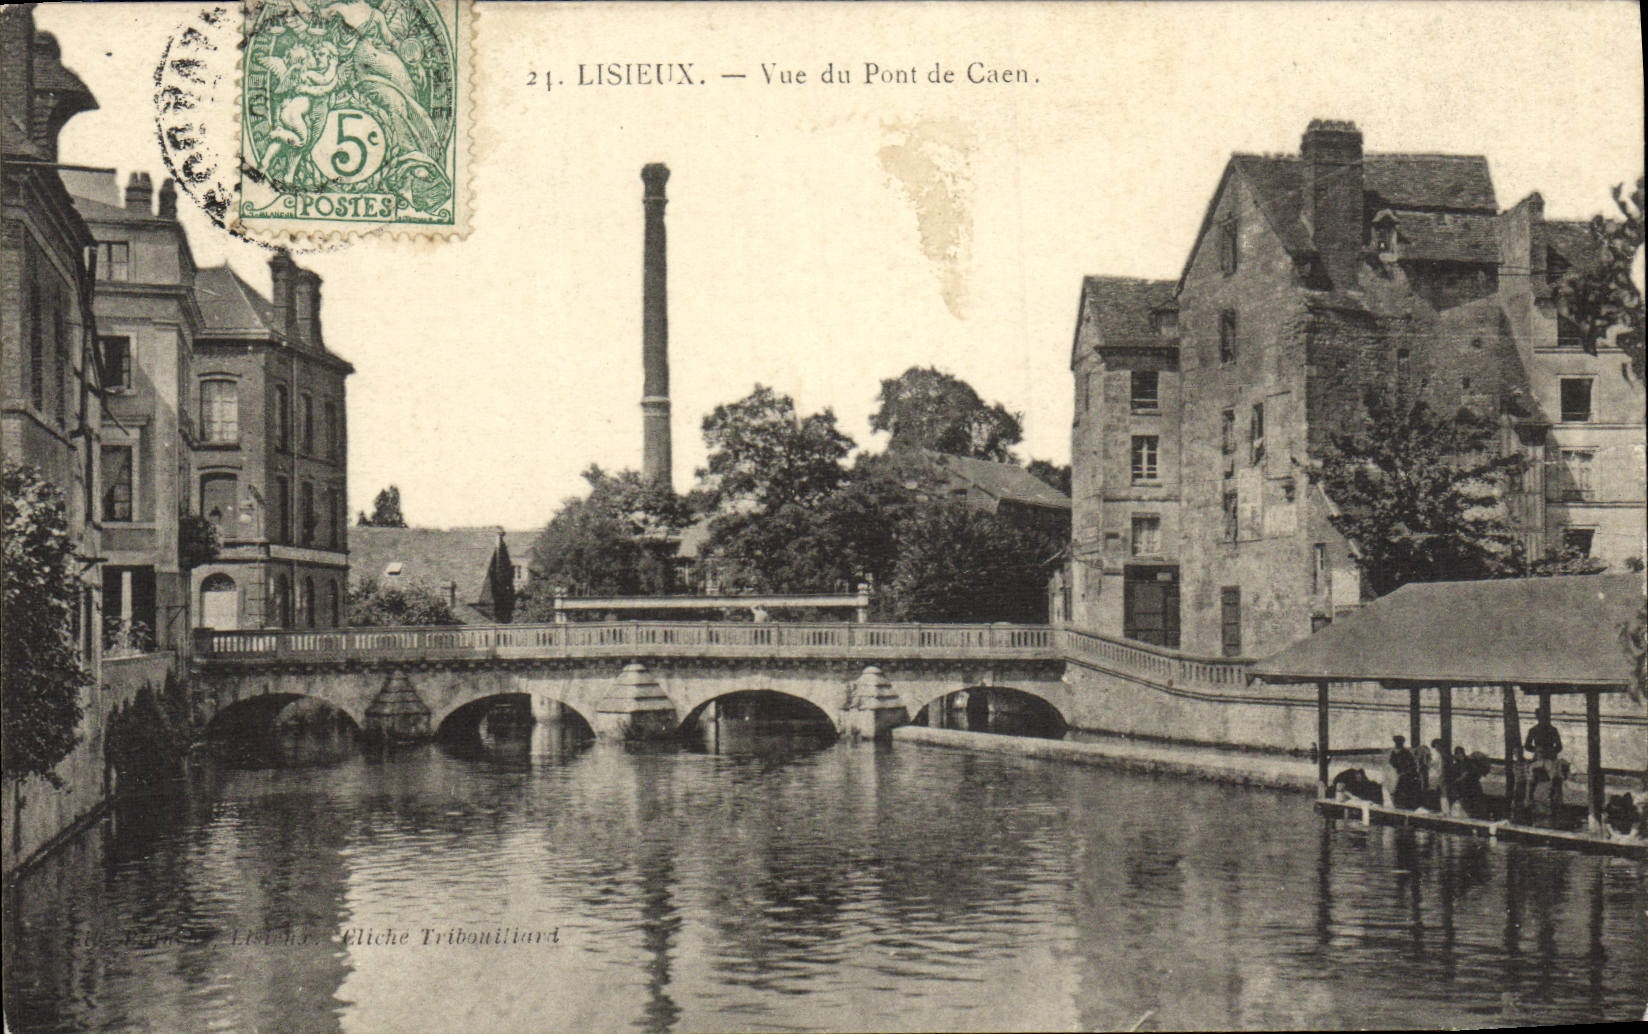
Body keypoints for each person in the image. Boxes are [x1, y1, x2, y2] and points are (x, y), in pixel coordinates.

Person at [1524, 714, 1566, 811]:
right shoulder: (1533, 730)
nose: (1543, 720)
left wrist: (1551, 751)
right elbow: (1527, 745)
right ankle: (1529, 800)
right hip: (1538, 757)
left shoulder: (1553, 730)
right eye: (1541, 718)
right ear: (1538, 718)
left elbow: (1559, 746)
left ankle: (1556, 801)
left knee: (1555, 777)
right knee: (1531, 777)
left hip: (1550, 758)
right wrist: (1537, 750)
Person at [1388, 734, 1421, 809]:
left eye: (1399, 742)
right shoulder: (1394, 753)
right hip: (1399, 775)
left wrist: (1404, 772)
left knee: (1404, 794)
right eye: (1396, 742)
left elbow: (1412, 766)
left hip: (1407, 777)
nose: (1397, 744)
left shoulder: (1406, 753)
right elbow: (1392, 764)